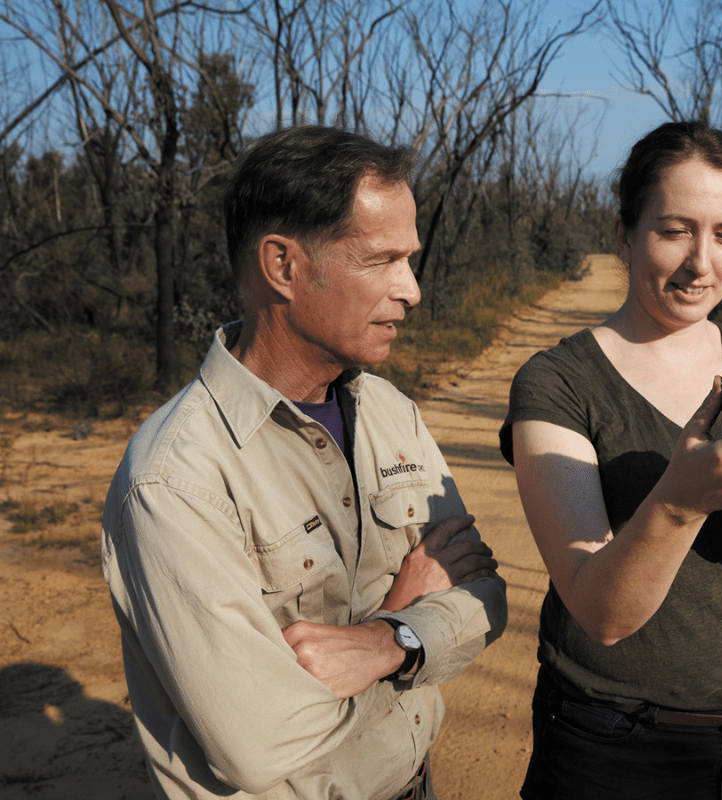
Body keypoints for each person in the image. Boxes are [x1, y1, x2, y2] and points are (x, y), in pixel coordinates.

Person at [101, 126, 507, 800]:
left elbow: (486, 595)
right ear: (283, 266)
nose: (411, 290)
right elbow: (262, 742)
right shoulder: (175, 478)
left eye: (410, 260)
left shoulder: (390, 412)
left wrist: (388, 639)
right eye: (382, 260)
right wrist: (414, 627)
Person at [499, 120, 722, 799]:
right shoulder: (557, 383)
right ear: (624, 234)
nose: (701, 262)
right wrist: (682, 501)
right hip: (614, 750)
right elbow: (603, 615)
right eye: (674, 230)